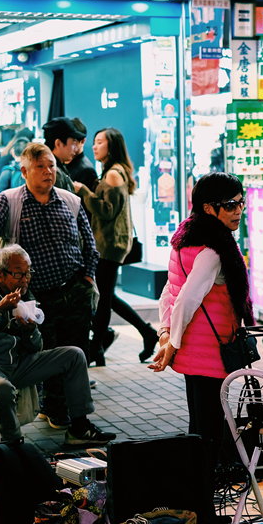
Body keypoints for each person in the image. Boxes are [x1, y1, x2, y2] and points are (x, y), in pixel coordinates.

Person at [0, 142, 99, 429]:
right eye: (40, 167)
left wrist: (87, 279)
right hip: (35, 295)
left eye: (51, 166)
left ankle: (67, 414)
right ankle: (54, 411)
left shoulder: (70, 200)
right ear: (24, 171)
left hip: (73, 289)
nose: (48, 172)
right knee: (44, 350)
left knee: (78, 351)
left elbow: (90, 244)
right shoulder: (11, 199)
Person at [0, 244, 115, 445]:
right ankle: (14, 446)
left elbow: (35, 348)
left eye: (29, 273)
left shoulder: (26, 296)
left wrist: (30, 331)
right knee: (1, 387)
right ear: (0, 274)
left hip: (15, 364)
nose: (26, 279)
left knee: (74, 355)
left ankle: (79, 428)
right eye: (19, 274)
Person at [150, 172, 253, 463]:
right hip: (211, 351)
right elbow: (186, 297)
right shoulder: (214, 249)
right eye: (230, 205)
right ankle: (204, 498)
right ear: (209, 208)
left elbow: (170, 290)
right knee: (209, 433)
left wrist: (167, 333)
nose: (238, 211)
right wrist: (171, 344)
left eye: (240, 203)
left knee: (199, 428)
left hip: (195, 353)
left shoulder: (185, 240)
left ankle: (197, 496)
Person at [76, 127, 158, 366]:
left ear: (111, 146)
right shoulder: (114, 171)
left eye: (99, 142)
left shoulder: (113, 174)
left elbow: (107, 211)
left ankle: (97, 349)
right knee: (107, 296)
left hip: (109, 244)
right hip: (110, 243)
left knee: (103, 299)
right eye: (94, 142)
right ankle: (146, 332)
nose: (94, 146)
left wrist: (84, 192)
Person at [41, 117, 84, 193]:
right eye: (73, 143)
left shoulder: (55, 168)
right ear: (58, 143)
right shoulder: (53, 173)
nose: (75, 149)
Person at [67, 118, 99, 192]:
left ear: (83, 141)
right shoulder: (64, 163)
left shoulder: (87, 170)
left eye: (73, 141)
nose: (68, 145)